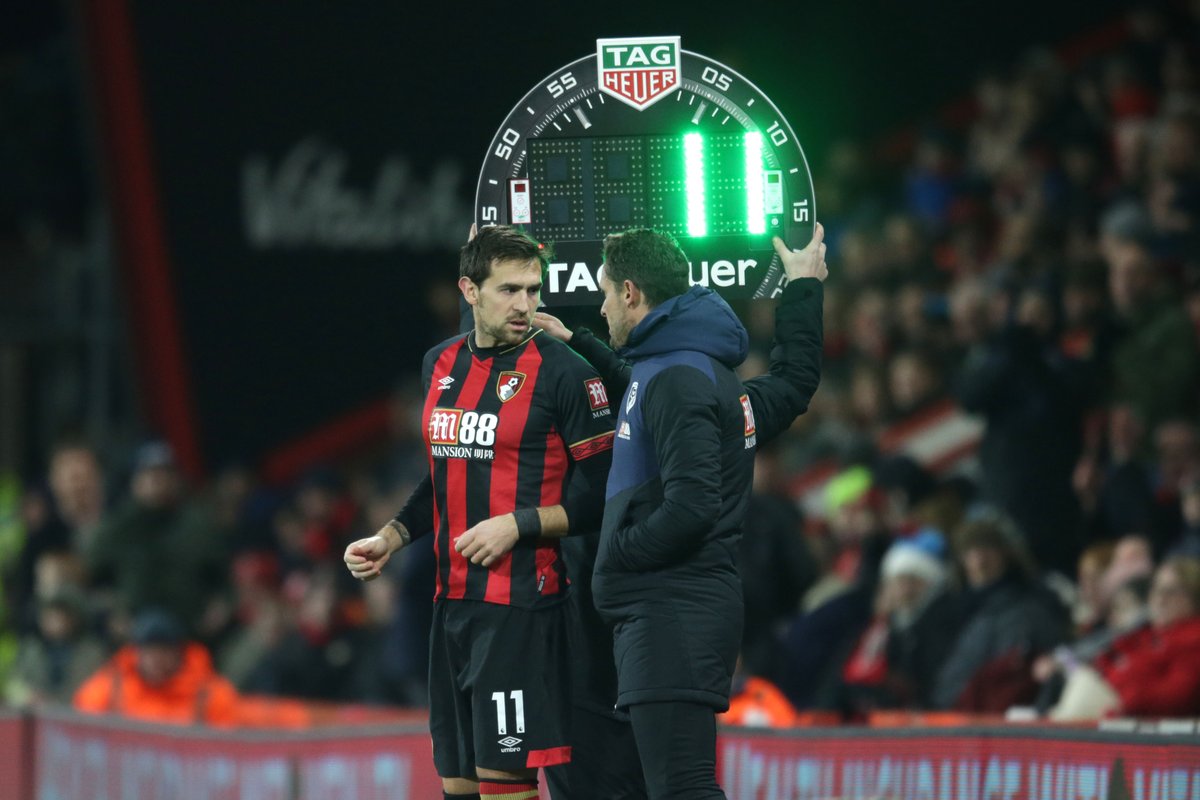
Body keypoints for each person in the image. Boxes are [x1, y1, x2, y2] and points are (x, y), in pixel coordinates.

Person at [534, 225, 826, 798]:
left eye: (605, 291)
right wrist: (803, 288)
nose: (601, 304)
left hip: (670, 613)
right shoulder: (685, 370)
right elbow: (792, 383)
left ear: (631, 293)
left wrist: (616, 556)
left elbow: (692, 505)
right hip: (675, 613)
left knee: (683, 789)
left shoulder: (675, 380)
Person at [343, 225, 615, 800]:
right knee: (458, 787)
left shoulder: (566, 373)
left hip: (521, 609)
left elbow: (608, 494)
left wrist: (520, 524)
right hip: (452, 606)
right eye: (509, 289)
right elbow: (447, 473)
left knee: (504, 786)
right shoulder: (438, 364)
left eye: (533, 290)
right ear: (469, 290)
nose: (525, 304)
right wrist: (392, 536)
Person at [73, 607, 239, 726]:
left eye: (164, 651)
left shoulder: (211, 695)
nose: (156, 660)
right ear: (136, 653)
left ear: (180, 653)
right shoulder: (108, 688)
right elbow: (82, 730)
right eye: (148, 651)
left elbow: (226, 745)